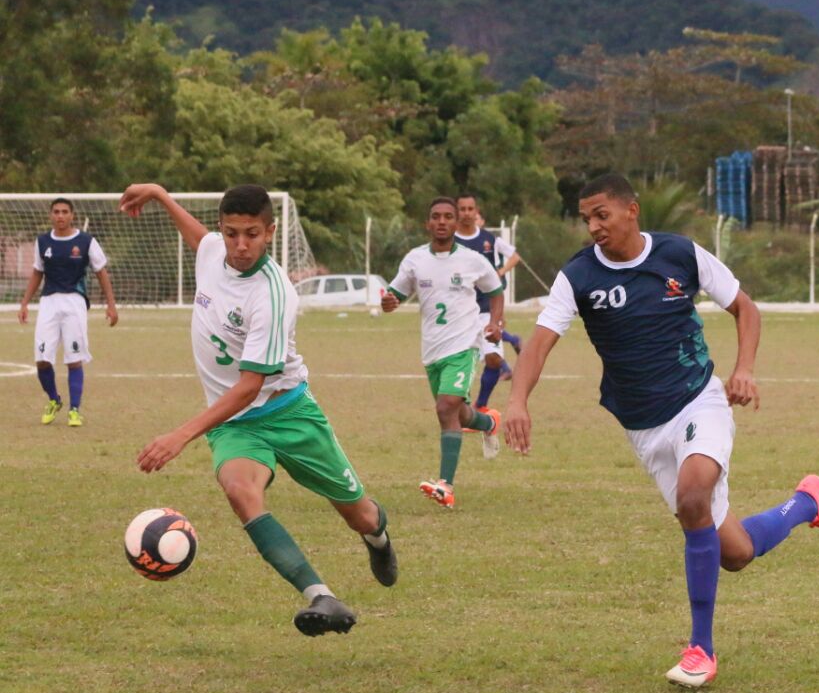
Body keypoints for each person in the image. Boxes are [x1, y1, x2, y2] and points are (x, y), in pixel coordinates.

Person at [504, 173, 819, 689]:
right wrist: (517, 400)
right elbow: (538, 343)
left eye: (602, 214)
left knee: (694, 498)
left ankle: (701, 649)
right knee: (734, 552)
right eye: (586, 218)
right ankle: (808, 503)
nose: (593, 227)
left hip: (699, 399)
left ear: (631, 211)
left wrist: (744, 369)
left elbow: (745, 307)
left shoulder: (680, 255)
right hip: (643, 427)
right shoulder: (577, 276)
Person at [119, 183, 396, 637]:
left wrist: (180, 435)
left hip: (289, 414)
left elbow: (250, 387)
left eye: (252, 234)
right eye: (231, 234)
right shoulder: (213, 251)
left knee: (359, 514)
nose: (241, 245)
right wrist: (161, 195)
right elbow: (199, 238)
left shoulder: (273, 294)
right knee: (240, 491)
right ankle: (319, 596)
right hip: (234, 425)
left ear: (270, 232)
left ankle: (378, 537)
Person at [381, 197, 505, 508]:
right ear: (428, 223)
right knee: (457, 412)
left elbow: (495, 290)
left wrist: (495, 322)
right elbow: (395, 294)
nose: (442, 221)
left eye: (448, 217)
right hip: (432, 350)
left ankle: (445, 486)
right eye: (436, 216)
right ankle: (489, 423)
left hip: (464, 345)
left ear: (456, 223)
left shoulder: (472, 259)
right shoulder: (414, 260)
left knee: (445, 407)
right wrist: (388, 303)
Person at [17, 198, 119, 426]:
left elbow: (101, 272)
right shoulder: (42, 241)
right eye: (56, 212)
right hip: (48, 303)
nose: (60, 216)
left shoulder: (86, 241)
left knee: (74, 359)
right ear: (51, 215)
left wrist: (111, 305)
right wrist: (24, 303)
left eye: (64, 212)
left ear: (72, 215)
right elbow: (37, 272)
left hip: (75, 303)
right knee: (42, 359)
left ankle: (74, 409)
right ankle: (54, 399)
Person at [454, 194, 523, 410]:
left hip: (486, 309)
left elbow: (515, 256)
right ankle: (459, 406)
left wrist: (499, 273)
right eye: (462, 209)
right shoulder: (449, 241)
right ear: (457, 212)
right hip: (459, 311)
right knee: (460, 362)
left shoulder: (489, 240)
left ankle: (480, 406)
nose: (466, 213)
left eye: (470, 209)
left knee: (493, 358)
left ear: (476, 211)